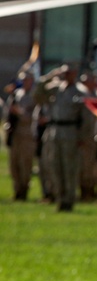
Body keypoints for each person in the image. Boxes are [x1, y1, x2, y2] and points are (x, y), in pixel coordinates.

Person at [32, 64, 88, 212]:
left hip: (70, 131)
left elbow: (86, 118)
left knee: (69, 168)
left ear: (75, 74)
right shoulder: (55, 88)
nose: (66, 75)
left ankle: (69, 199)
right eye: (64, 72)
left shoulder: (81, 91)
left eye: (69, 72)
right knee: (55, 166)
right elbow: (37, 95)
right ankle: (59, 198)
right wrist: (50, 75)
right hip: (54, 131)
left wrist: (82, 137)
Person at [4, 70, 37, 200]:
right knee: (14, 163)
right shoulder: (16, 95)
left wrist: (20, 113)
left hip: (27, 134)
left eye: (26, 80)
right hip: (16, 134)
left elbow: (33, 116)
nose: (24, 82)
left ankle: (24, 190)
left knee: (25, 164)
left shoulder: (34, 96)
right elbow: (8, 115)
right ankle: (17, 189)